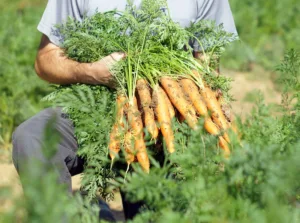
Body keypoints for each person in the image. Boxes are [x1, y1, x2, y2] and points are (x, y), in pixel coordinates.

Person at [12, 0, 237, 221]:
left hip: (166, 118)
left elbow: (209, 72)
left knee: (155, 213)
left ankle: (96, 213)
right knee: (32, 137)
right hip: (92, 107)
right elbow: (45, 61)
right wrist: (93, 72)